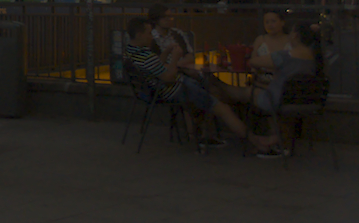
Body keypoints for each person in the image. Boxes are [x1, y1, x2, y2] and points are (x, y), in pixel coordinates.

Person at [124, 17, 276, 153]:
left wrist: (168, 52)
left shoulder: (131, 52)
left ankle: (207, 133)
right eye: (149, 33)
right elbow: (168, 77)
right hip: (176, 89)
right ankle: (256, 141)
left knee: (214, 88)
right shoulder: (146, 56)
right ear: (139, 35)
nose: (151, 37)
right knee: (223, 108)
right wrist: (175, 58)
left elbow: (158, 65)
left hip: (162, 89)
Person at [218, 21, 323, 157]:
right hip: (305, 100)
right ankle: (275, 140)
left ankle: (219, 88)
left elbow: (254, 62)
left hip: (279, 100)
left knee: (248, 92)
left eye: (291, 32)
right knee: (259, 91)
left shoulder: (286, 56)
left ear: (296, 35)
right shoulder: (316, 57)